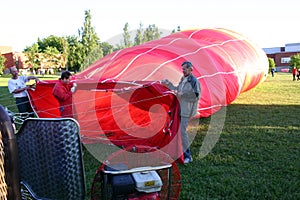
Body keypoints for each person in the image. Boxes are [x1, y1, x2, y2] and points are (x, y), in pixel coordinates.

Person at [161, 61, 201, 164]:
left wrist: (182, 95)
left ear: (190, 69)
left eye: (184, 69)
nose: (183, 71)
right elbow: (177, 90)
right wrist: (168, 84)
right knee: (176, 131)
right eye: (182, 69)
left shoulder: (194, 81)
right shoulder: (183, 79)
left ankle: (188, 156)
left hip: (186, 111)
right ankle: (178, 152)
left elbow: (195, 95)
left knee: (182, 132)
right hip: (180, 109)